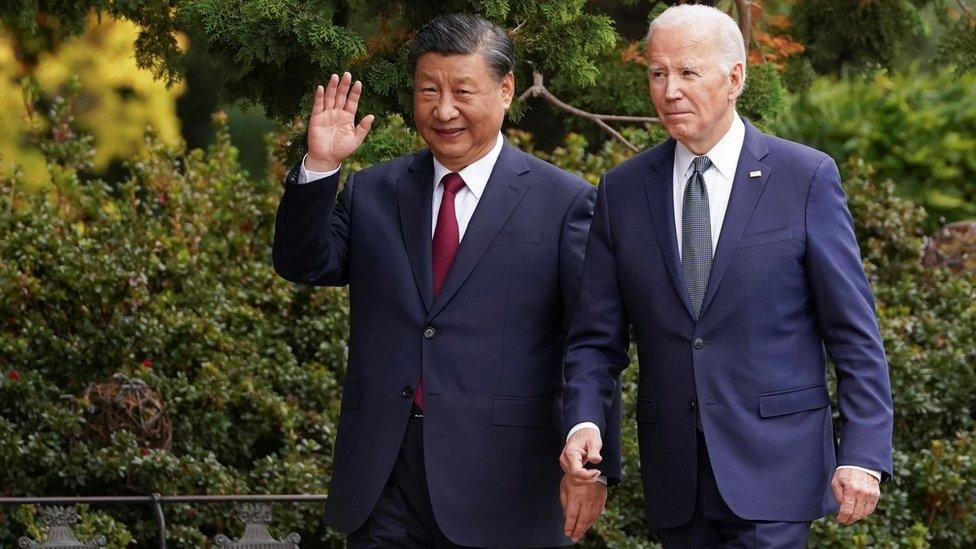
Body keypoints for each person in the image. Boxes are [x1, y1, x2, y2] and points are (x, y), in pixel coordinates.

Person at [273, 13, 619, 548]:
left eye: (462, 91)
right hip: (385, 477)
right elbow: (303, 262)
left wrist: (596, 462)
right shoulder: (374, 192)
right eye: (428, 91)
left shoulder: (565, 202)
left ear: (506, 90)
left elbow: (592, 341)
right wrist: (319, 166)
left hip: (506, 484)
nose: (444, 110)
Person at [559, 4, 893, 547]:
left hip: (777, 471)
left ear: (735, 77)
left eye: (688, 72)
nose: (669, 91)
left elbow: (853, 333)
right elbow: (595, 340)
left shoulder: (804, 178)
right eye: (657, 73)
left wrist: (864, 452)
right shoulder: (622, 191)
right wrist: (584, 423)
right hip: (676, 481)